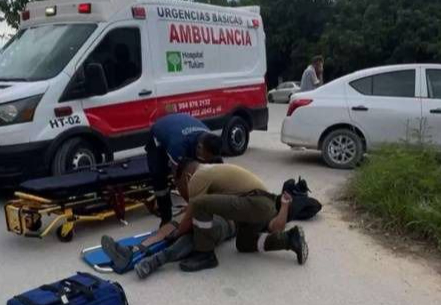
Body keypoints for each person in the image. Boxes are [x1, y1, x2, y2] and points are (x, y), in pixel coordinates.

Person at [101, 162, 297, 277]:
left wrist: (285, 207)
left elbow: (274, 226)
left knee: (193, 227)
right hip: (231, 221)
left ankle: (155, 260)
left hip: (228, 224)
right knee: (188, 221)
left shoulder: (264, 204)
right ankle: (134, 250)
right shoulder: (244, 191)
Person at [176, 161, 308, 272]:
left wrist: (176, 233)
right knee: (244, 243)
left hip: (255, 201)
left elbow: (194, 209)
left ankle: (205, 254)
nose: (184, 192)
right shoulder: (211, 170)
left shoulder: (197, 176)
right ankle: (290, 238)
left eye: (181, 187)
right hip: (263, 204)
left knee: (199, 204)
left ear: (186, 176)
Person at [146, 113, 223, 226]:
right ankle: (166, 219)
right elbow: (179, 180)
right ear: (200, 148)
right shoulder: (177, 145)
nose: (206, 161)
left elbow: (218, 170)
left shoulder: (210, 139)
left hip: (182, 127)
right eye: (205, 158)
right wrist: (193, 206)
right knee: (159, 177)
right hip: (158, 138)